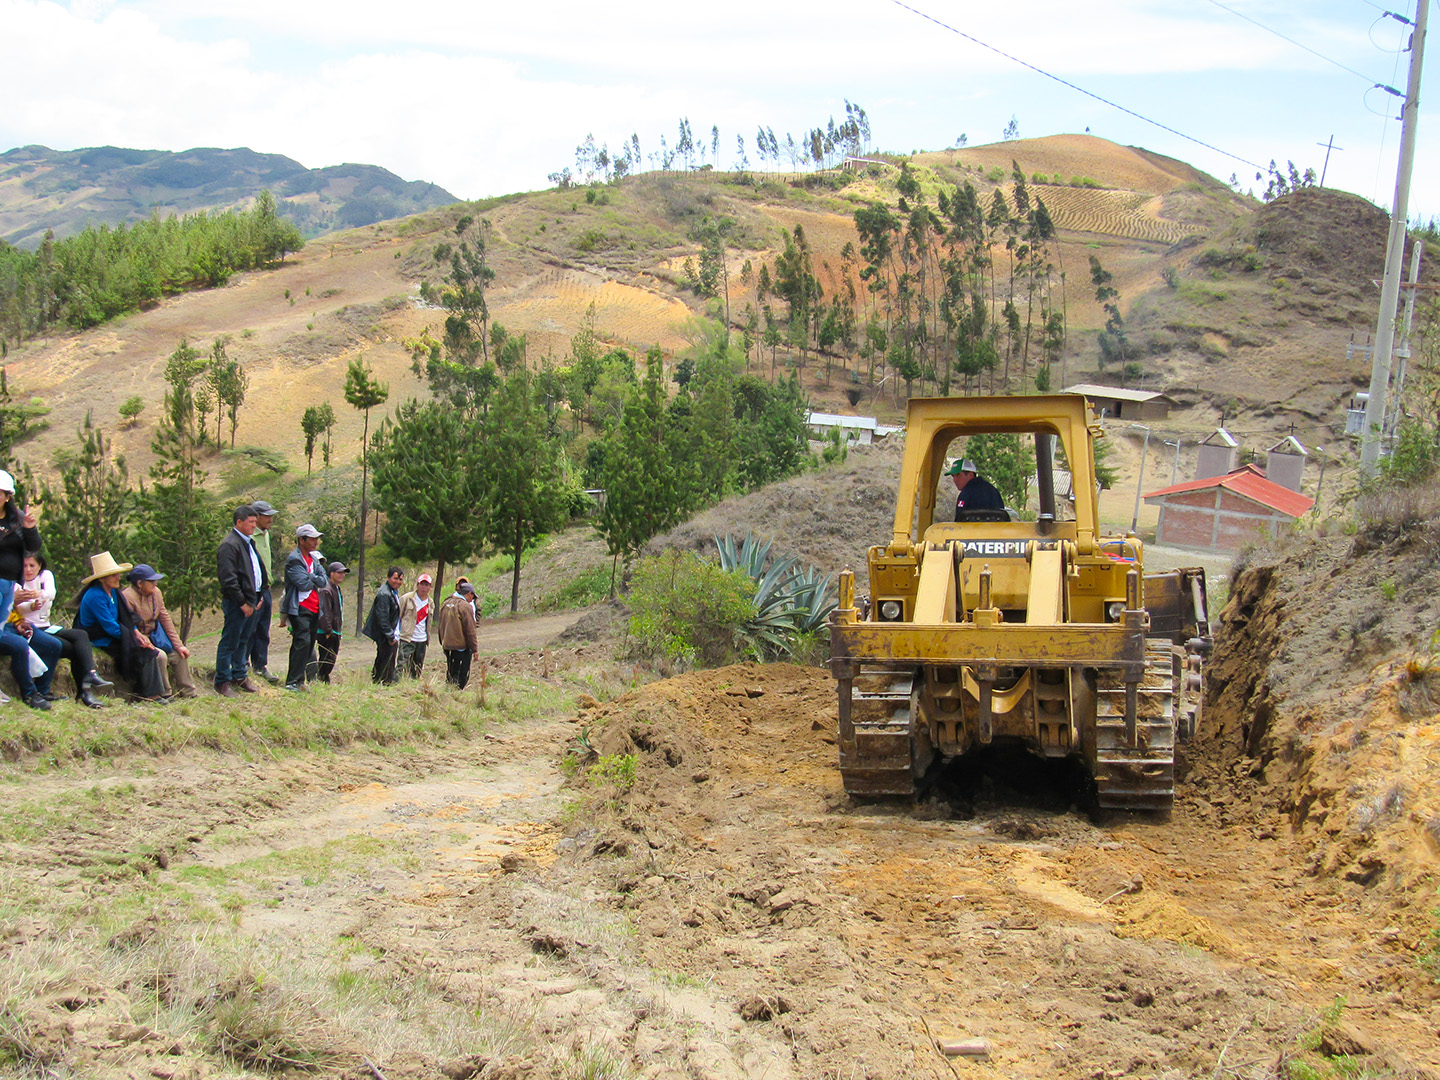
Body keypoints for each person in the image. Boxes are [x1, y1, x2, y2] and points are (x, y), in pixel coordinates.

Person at [0, 470, 61, 709]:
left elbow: (33, 547)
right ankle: (30, 693)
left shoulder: (16, 519)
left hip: (9, 585)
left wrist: (30, 528)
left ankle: (36, 692)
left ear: (8, 496)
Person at [16, 553, 110, 708]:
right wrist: (30, 605)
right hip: (28, 627)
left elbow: (51, 594)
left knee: (80, 635)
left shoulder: (45, 576)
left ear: (40, 566)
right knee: (72, 649)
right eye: (24, 566)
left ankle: (90, 675)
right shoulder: (16, 582)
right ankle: (84, 690)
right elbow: (15, 607)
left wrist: (39, 595)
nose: (28, 570)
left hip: (45, 626)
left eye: (32, 565)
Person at [75, 551, 167, 702]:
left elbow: (125, 618)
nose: (118, 578)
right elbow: (110, 626)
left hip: (115, 634)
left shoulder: (113, 593)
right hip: (100, 638)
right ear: (102, 578)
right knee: (141, 653)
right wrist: (133, 639)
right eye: (113, 575)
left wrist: (136, 633)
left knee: (145, 651)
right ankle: (151, 694)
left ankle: (147, 692)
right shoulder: (96, 596)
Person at [121, 565, 198, 699]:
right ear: (140, 583)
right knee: (160, 656)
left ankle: (189, 693)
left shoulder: (156, 593)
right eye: (151, 581)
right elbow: (128, 625)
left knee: (179, 655)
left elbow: (165, 618)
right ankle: (165, 693)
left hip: (155, 636)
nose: (155, 584)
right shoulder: (127, 597)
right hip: (139, 641)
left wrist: (178, 645)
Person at [216, 503, 268, 698]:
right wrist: (242, 602)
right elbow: (228, 579)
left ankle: (239, 675)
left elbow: (257, 571)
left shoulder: (248, 542)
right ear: (239, 522)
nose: (255, 525)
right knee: (230, 640)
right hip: (238, 602)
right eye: (251, 522)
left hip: (253, 599)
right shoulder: (230, 545)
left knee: (244, 639)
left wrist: (259, 595)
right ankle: (222, 680)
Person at [280, 524, 328, 692]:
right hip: (299, 607)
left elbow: (324, 581)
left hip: (314, 607)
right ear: (302, 540)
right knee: (302, 642)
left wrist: (311, 576)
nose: (316, 542)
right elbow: (303, 584)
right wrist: (314, 577)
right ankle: (292, 680)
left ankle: (299, 681)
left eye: (316, 538)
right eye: (312, 538)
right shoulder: (294, 559)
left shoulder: (314, 559)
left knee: (308, 644)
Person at [247, 500, 279, 683]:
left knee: (263, 629)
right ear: (256, 517)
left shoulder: (265, 534)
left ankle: (260, 666)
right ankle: (244, 664)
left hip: (267, 588)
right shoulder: (250, 537)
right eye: (267, 516)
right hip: (254, 589)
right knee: (250, 628)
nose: (271, 519)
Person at [362, 566, 403, 684]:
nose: (398, 582)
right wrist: (390, 636)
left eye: (400, 579)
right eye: (395, 578)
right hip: (385, 634)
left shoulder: (392, 592)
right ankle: (384, 682)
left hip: (389, 632)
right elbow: (382, 617)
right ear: (388, 578)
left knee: (385, 658)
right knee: (386, 659)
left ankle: (379, 680)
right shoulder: (385, 593)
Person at [435, 581, 479, 689]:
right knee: (461, 676)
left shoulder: (445, 604)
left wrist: (443, 642)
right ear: (469, 594)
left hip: (448, 646)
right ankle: (456, 695)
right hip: (461, 647)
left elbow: (440, 626)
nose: (472, 600)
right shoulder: (464, 606)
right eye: (472, 597)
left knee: (451, 673)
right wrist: (475, 649)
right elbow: (470, 630)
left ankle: (449, 694)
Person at [315, 561, 348, 684]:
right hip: (327, 631)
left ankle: (323, 679)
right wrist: (328, 631)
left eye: (343, 573)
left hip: (335, 630)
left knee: (331, 658)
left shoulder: (336, 588)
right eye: (339, 572)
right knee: (326, 658)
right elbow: (325, 612)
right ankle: (321, 679)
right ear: (332, 573)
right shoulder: (326, 589)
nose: (342, 575)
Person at [397, 573, 434, 678]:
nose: (424, 587)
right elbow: (397, 616)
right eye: (422, 584)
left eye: (427, 585)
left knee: (417, 668)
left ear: (430, 587)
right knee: (402, 665)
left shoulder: (430, 603)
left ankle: (414, 686)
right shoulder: (407, 599)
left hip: (422, 639)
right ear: (417, 585)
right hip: (407, 638)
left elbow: (428, 622)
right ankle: (397, 686)